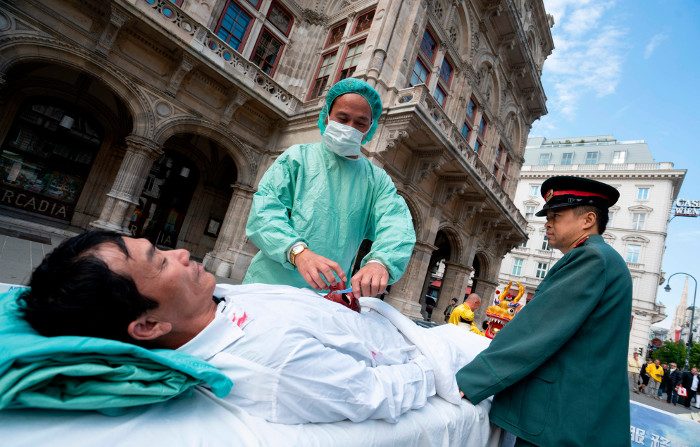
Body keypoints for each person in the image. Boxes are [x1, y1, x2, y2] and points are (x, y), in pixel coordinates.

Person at [17, 231, 490, 425]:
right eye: (159, 262)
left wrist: (333, 311)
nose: (181, 252)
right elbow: (379, 392)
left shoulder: (215, 302)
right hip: (452, 356)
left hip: (389, 326)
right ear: (147, 325)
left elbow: (290, 315)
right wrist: (454, 366)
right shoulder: (273, 364)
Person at [455, 176, 632, 446]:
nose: (547, 223)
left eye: (556, 215)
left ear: (588, 220)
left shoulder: (591, 258)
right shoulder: (601, 258)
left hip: (562, 422)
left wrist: (471, 381)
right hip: (574, 419)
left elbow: (536, 330)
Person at [244, 78, 415, 299]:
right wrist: (298, 252)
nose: (349, 128)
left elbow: (397, 225)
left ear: (370, 128)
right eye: (342, 118)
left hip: (326, 298)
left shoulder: (377, 180)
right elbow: (264, 213)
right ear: (327, 116)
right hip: (268, 287)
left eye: (360, 123)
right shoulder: (297, 158)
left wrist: (380, 262)